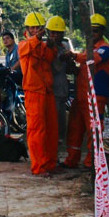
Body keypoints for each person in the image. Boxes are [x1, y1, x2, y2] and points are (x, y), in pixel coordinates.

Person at [64, 14, 109, 169]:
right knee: (75, 129)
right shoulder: (88, 48)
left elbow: (92, 59)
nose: (92, 34)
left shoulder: (105, 49)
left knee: (94, 130)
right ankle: (72, 160)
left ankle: (92, 163)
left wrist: (74, 55)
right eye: (90, 30)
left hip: (95, 97)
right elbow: (84, 67)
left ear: (102, 31)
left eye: (95, 31)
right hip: (80, 96)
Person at [18, 12, 59, 176]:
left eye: (38, 28)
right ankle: (39, 167)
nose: (35, 30)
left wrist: (50, 44)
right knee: (36, 130)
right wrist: (37, 39)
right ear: (27, 30)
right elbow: (26, 49)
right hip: (33, 92)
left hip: (47, 91)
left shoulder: (42, 46)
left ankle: (49, 163)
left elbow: (50, 57)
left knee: (51, 129)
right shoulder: (23, 45)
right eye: (32, 28)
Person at [46, 16, 73, 153]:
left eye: (57, 33)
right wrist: (60, 59)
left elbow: (68, 70)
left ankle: (59, 145)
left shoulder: (63, 47)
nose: (54, 36)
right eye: (52, 32)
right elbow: (53, 68)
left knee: (62, 122)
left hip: (62, 90)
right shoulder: (47, 48)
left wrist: (69, 60)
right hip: (52, 90)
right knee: (54, 123)